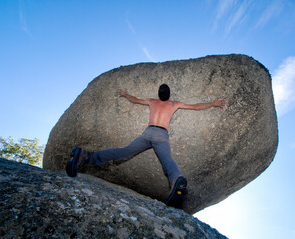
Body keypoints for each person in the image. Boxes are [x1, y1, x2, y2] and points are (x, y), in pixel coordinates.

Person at [66, 84, 225, 208]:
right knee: (168, 162)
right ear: (169, 95)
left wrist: (126, 95)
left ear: (158, 95)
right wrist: (213, 103)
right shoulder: (174, 104)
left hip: (148, 133)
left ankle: (85, 156)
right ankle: (177, 180)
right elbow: (195, 106)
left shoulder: (152, 101)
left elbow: (136, 99)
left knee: (123, 152)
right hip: (161, 135)